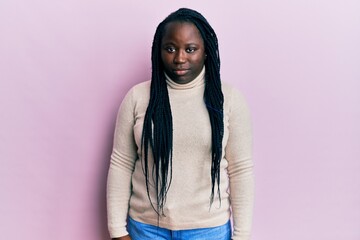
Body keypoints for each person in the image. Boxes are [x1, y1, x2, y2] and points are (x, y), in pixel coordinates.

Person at [107, 8, 254, 240]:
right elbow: (122, 163)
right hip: (146, 229)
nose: (180, 58)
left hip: (209, 230)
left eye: (191, 49)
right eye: (171, 48)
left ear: (205, 51)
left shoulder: (229, 99)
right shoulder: (137, 97)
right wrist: (117, 231)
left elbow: (240, 169)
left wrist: (242, 235)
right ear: (159, 51)